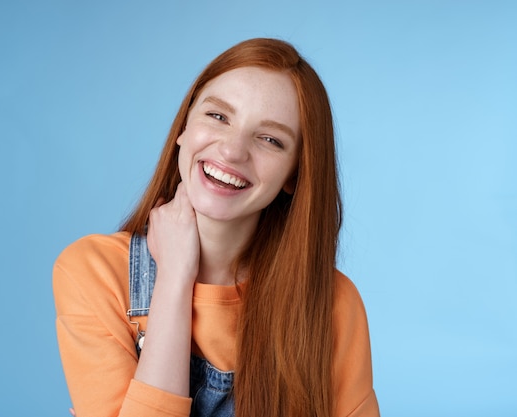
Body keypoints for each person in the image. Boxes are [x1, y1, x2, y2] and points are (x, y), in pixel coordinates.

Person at [53, 38, 380, 417]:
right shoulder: (94, 272)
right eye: (218, 117)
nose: (232, 150)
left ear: (295, 174)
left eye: (270, 140)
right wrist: (175, 278)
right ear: (184, 128)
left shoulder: (332, 304)